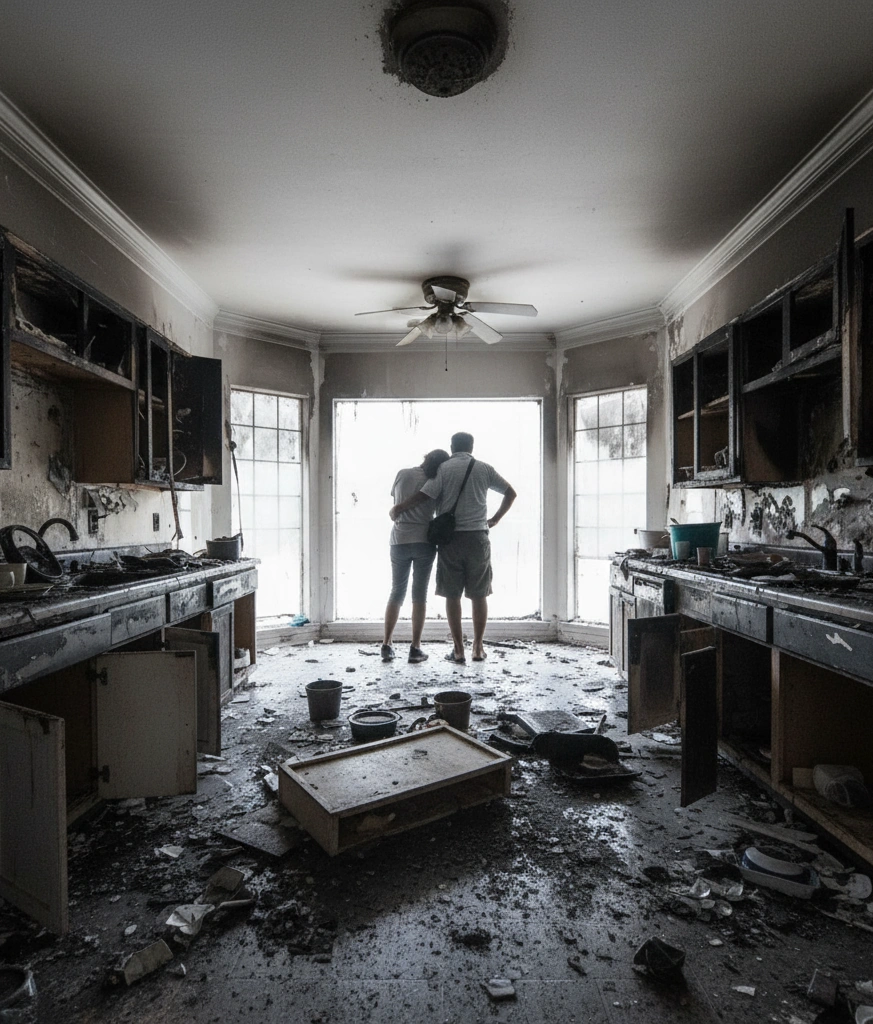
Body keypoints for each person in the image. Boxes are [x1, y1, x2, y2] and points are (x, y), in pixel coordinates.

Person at [389, 432, 516, 664]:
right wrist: (495, 519)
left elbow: (424, 495)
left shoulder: (444, 469)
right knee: (479, 594)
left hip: (451, 540)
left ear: (452, 446)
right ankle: (478, 647)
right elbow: (511, 492)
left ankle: (458, 650)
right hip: (478, 537)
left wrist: (400, 508)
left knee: (452, 595)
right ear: (472, 447)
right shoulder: (485, 468)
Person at [382, 448, 451, 663]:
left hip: (399, 540)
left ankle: (386, 644)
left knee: (396, 591)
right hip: (424, 541)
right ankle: (415, 648)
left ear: (425, 458)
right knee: (419, 595)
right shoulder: (436, 482)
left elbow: (395, 502)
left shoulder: (403, 473)